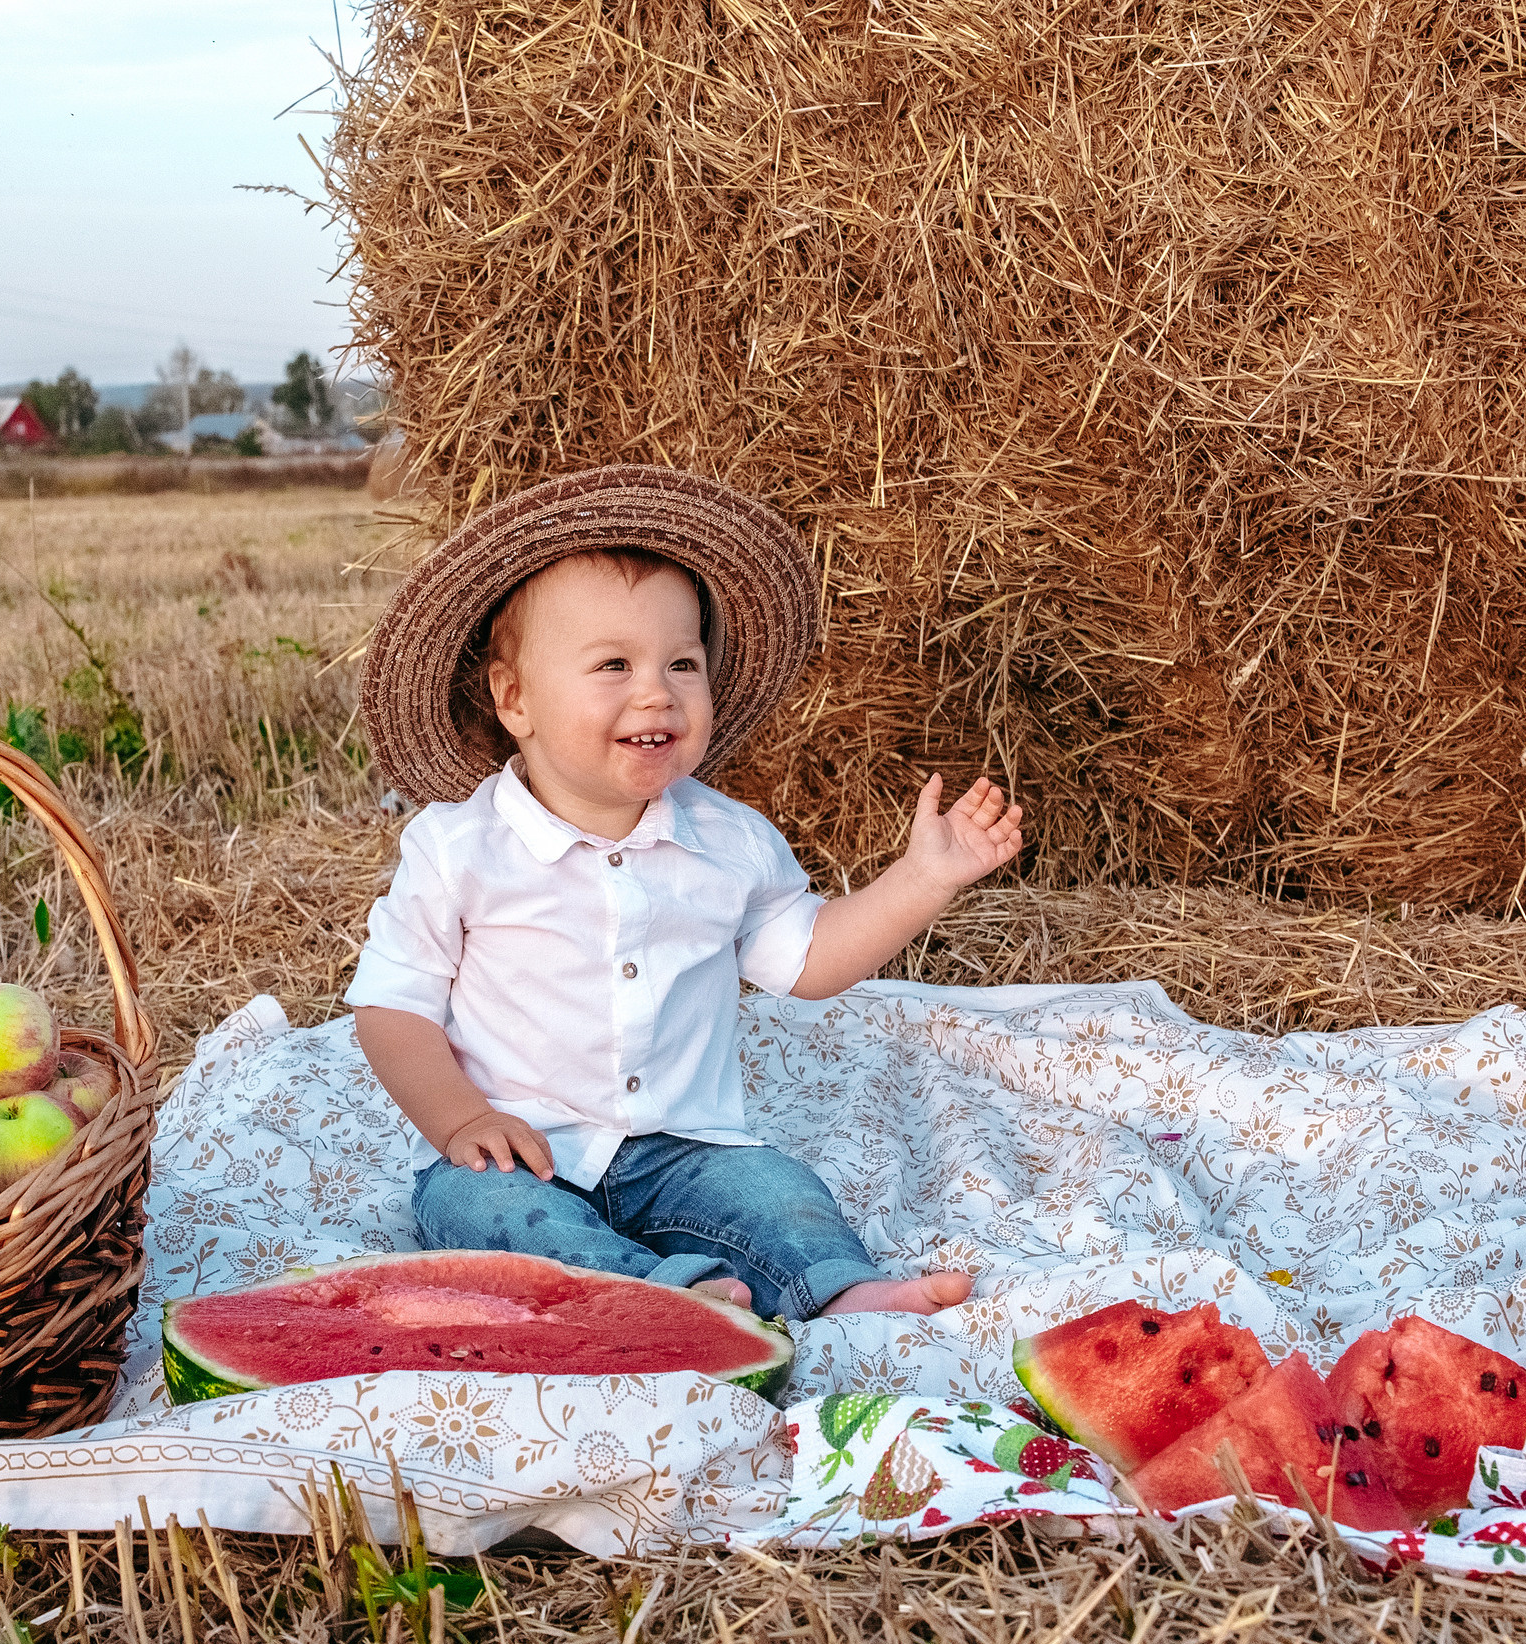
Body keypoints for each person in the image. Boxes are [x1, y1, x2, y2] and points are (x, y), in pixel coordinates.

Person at [345, 466, 1022, 1321]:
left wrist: (922, 877)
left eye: (682, 662)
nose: (657, 690)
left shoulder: (728, 840)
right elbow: (391, 1007)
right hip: (519, 1148)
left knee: (776, 1187)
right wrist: (459, 1119)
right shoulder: (455, 847)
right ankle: (664, 1295)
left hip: (685, 1151)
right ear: (514, 698)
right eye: (614, 664)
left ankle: (840, 1286)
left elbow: (808, 960)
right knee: (470, 1209)